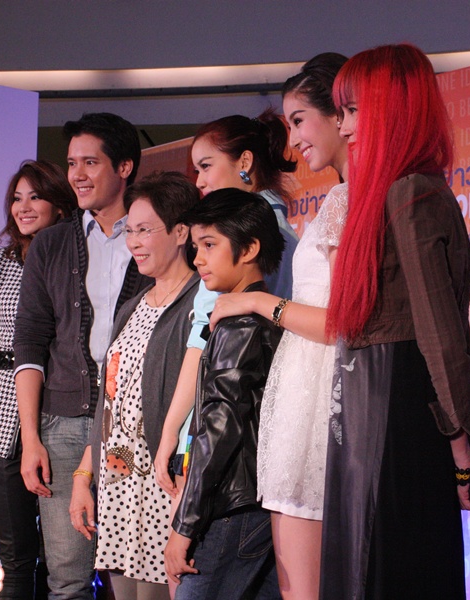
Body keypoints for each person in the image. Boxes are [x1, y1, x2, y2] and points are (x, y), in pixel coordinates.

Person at [321, 44, 470, 599]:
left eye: (354, 111)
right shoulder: (403, 193)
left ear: (392, 110)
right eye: (341, 112)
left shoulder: (403, 195)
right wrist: (462, 459)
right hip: (389, 411)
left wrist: (460, 455)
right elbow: (438, 332)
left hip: (374, 411)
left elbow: (436, 332)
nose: (343, 127)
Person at [207, 53, 348, 600]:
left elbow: (344, 321)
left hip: (321, 399)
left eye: (299, 120)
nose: (292, 142)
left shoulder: (347, 202)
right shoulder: (336, 198)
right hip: (301, 395)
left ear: (339, 114)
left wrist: (258, 302)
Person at [14, 113, 151, 600]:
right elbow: (29, 343)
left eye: (90, 162)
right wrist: (31, 438)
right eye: (72, 163)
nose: (77, 175)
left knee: (137, 572)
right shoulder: (51, 243)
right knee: (67, 580)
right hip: (65, 424)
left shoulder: (154, 235)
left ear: (125, 167)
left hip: (135, 424)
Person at [153, 111, 299, 520]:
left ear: (245, 162)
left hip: (221, 436)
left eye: (206, 166)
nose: (199, 181)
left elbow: (202, 343)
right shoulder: (284, 228)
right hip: (260, 432)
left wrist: (171, 432)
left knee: (191, 549)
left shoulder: (240, 237)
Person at [68, 171, 201, 600]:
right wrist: (84, 474)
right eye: (130, 230)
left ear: (181, 232)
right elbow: (108, 401)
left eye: (145, 230)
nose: (134, 242)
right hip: (118, 486)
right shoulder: (131, 307)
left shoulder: (200, 301)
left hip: (164, 486)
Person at [0, 160, 77, 599]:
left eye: (35, 196)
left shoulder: (76, 259)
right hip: (1, 409)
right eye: (16, 198)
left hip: (63, 403)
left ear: (60, 204)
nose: (23, 207)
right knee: (14, 555)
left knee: (66, 559)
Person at [165, 188, 285, 600]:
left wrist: (185, 525)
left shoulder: (239, 326)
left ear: (249, 248)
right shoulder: (256, 318)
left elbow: (219, 429)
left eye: (210, 245)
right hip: (259, 505)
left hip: (231, 509)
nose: (197, 258)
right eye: (197, 246)